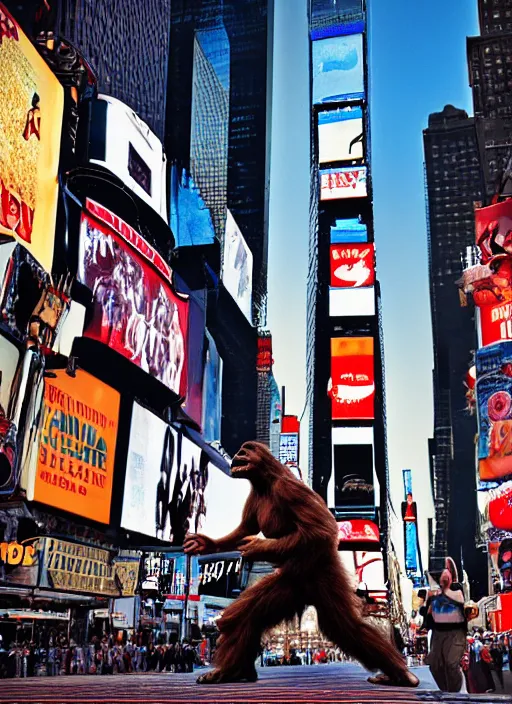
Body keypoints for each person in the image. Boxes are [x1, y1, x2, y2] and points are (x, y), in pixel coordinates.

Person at [184, 441, 419, 687]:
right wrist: (214, 544)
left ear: (263, 459)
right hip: (293, 575)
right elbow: (245, 530)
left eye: (247, 452)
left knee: (344, 629)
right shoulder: (257, 496)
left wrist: (267, 547)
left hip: (320, 573)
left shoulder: (285, 487)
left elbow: (326, 530)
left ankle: (400, 673)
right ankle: (237, 667)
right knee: (243, 614)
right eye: (239, 452)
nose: (240, 456)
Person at [424, 564, 467, 692]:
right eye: (442, 574)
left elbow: (459, 600)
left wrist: (443, 591)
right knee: (434, 665)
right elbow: (428, 612)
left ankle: (454, 692)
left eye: (447, 574)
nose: (444, 576)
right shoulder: (433, 595)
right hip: (438, 633)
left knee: (451, 664)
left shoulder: (457, 590)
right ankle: (445, 690)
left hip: (455, 632)